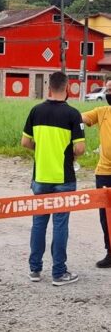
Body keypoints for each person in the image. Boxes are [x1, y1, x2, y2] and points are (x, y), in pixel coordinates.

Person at [21, 71, 85, 286]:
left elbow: (25, 143)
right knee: (60, 224)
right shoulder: (73, 114)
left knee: (39, 223)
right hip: (63, 178)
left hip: (40, 177)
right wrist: (70, 154)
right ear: (67, 89)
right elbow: (80, 147)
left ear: (49, 88)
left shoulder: (35, 111)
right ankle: (59, 272)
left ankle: (35, 270)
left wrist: (43, 150)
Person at [82, 79, 111, 268]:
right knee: (105, 215)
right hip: (104, 173)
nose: (108, 92)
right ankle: (110, 251)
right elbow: (79, 117)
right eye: (107, 89)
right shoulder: (102, 112)